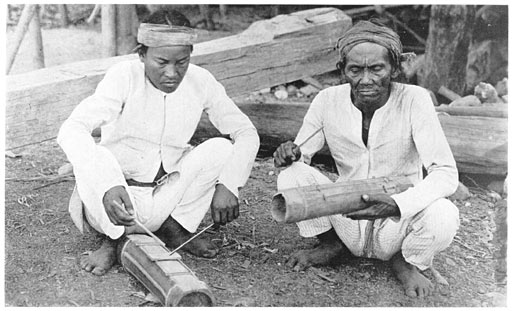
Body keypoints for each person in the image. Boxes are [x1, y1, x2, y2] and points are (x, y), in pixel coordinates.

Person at [57, 9, 259, 276]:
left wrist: (230, 183)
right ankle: (114, 240)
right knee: (95, 156)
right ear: (142, 55)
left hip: (164, 197)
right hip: (114, 203)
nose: (172, 73)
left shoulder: (201, 81)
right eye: (162, 62)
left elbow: (246, 131)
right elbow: (71, 129)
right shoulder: (124, 76)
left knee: (221, 149)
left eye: (182, 62)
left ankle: (175, 230)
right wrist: (107, 185)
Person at [273, 20, 459, 298]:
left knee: (445, 214)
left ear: (394, 69)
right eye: (355, 70)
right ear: (342, 71)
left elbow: (445, 172)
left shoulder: (414, 100)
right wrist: (289, 153)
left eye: (377, 69)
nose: (366, 79)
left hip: (398, 222)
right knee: (291, 175)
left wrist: (397, 205)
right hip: (348, 216)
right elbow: (302, 155)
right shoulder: (326, 100)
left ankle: (406, 262)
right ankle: (330, 244)